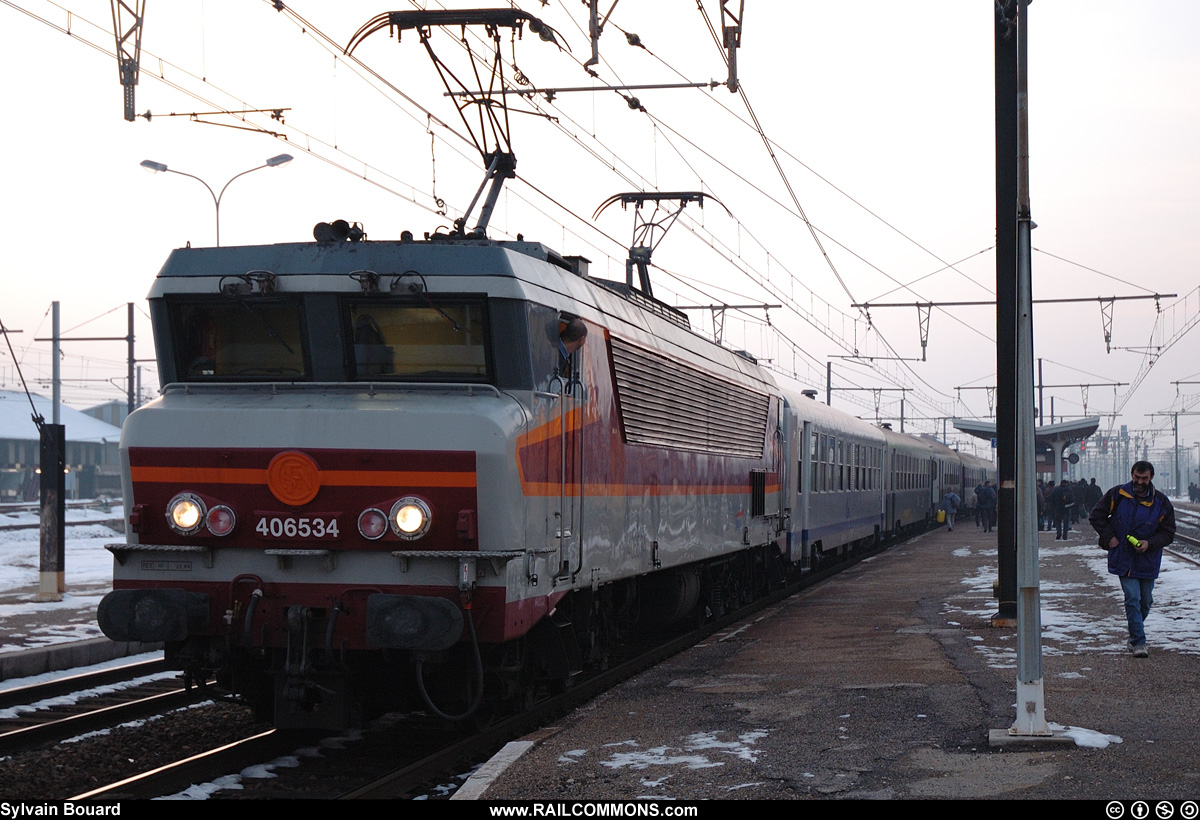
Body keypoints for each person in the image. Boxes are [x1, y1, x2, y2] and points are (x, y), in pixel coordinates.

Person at [1088, 461, 1176, 658]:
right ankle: (1139, 642)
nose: (1140, 482)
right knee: (1132, 598)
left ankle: (1135, 632)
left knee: (1146, 601)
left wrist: (1149, 543)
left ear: (1151, 477)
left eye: (1144, 478)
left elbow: (1168, 532)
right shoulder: (1118, 494)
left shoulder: (1161, 502)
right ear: (1132, 474)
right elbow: (1096, 516)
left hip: (1148, 558)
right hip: (1124, 557)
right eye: (1137, 477)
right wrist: (1110, 538)